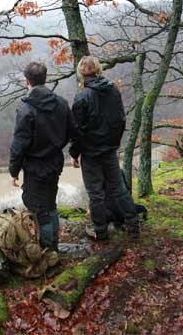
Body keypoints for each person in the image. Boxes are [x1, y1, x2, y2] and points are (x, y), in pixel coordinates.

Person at [69, 56, 139, 240]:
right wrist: (113, 143)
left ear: (81, 73)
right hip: (109, 150)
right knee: (118, 188)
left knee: (96, 194)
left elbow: (77, 131)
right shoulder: (113, 91)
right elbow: (121, 120)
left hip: (91, 153)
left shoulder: (82, 96)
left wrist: (74, 153)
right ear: (98, 70)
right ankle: (133, 224)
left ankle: (100, 232)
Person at [9, 62, 76, 251]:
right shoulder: (61, 103)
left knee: (39, 209)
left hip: (34, 167)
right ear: (44, 79)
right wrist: (73, 152)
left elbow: (19, 144)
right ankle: (53, 246)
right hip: (55, 163)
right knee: (50, 204)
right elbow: (74, 131)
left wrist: (13, 170)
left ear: (26, 81)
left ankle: (49, 251)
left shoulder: (25, 109)